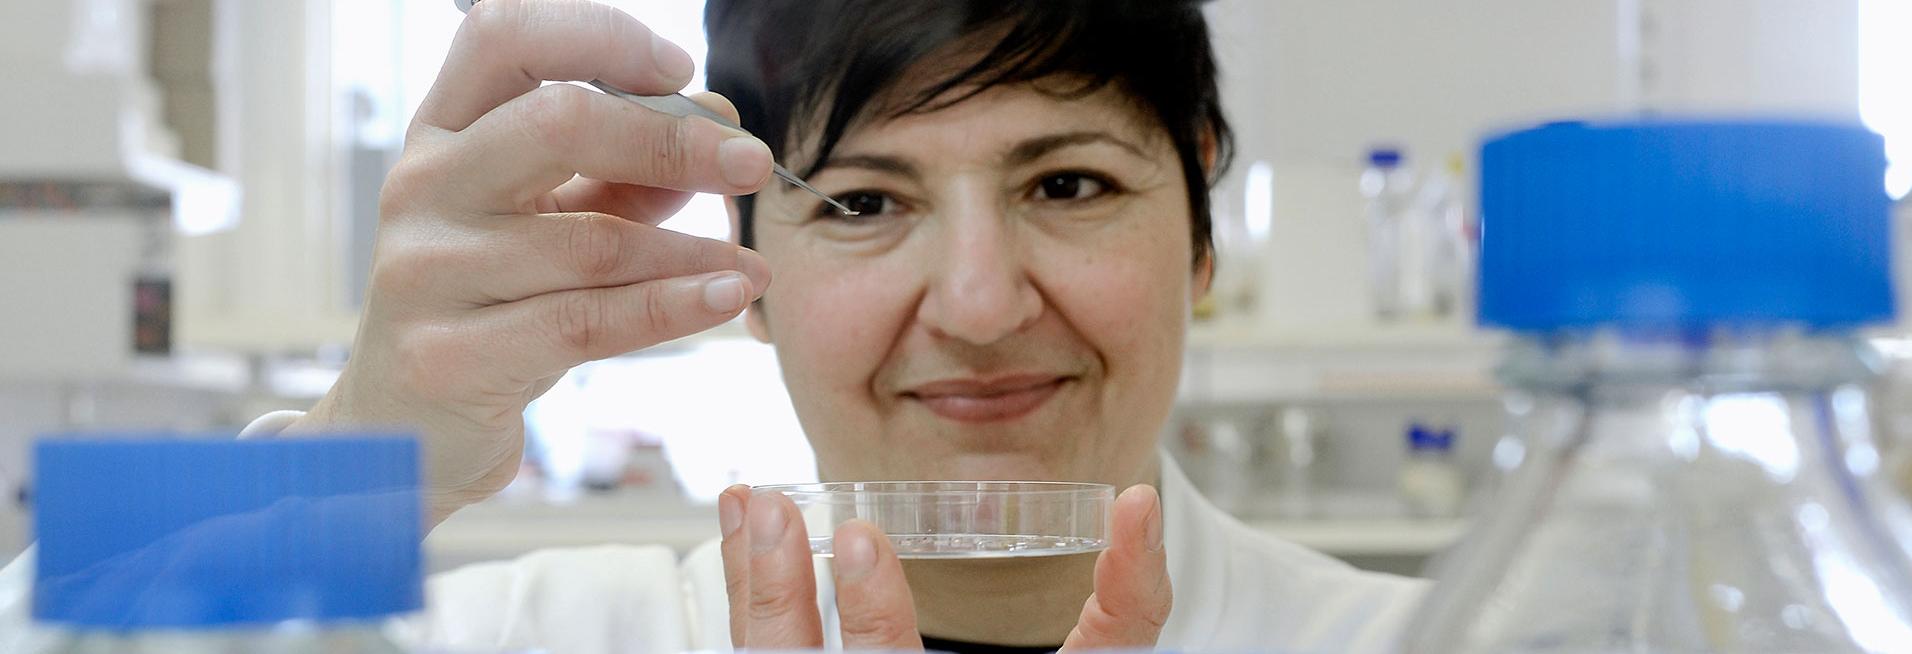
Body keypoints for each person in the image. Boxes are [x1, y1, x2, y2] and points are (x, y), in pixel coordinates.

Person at [0, 0, 1425, 651]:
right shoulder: (557, 631)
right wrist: (359, 445)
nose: (983, 303)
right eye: (864, 204)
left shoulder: (1446, 638)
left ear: (1201, 232)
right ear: (749, 264)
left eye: (1068, 182)